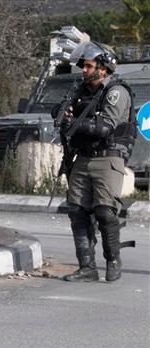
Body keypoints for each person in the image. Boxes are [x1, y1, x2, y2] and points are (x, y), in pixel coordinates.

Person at [53, 41, 137, 282]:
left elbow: (104, 127)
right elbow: (60, 113)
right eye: (84, 66)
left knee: (104, 211)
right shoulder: (81, 91)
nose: (84, 70)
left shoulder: (115, 92)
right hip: (84, 157)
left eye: (89, 66)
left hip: (108, 157)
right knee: (76, 210)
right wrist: (64, 111)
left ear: (103, 68)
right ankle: (87, 267)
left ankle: (113, 259)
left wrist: (75, 123)